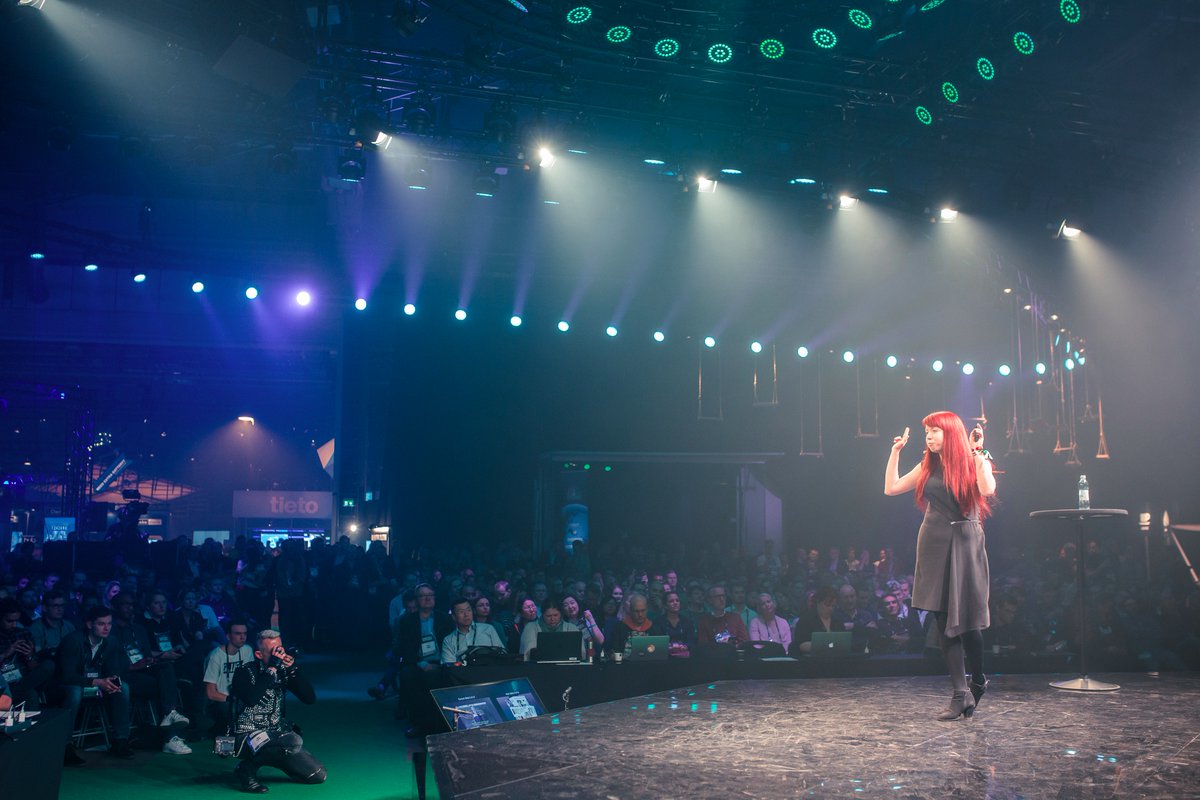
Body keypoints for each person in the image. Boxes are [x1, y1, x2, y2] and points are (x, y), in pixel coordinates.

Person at [885, 412, 996, 720]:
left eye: (935, 431)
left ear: (950, 433)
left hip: (965, 541)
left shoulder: (974, 460)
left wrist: (978, 454)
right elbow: (891, 487)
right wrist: (895, 452)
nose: (929, 436)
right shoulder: (928, 464)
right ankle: (960, 693)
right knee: (942, 616)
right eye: (927, 432)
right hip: (933, 540)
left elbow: (987, 489)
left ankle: (977, 680)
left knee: (968, 621)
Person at [228, 629, 325, 793]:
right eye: (273, 652)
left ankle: (276, 758)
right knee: (293, 740)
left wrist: (293, 669)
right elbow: (251, 699)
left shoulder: (283, 672)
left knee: (317, 775)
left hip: (276, 736)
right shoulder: (244, 671)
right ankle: (246, 768)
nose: (279, 655)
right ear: (259, 655)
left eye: (280, 649)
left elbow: (309, 698)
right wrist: (272, 668)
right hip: (246, 737)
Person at [56, 605, 134, 763]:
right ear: (89, 624)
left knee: (122, 687)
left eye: (109, 623)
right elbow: (66, 676)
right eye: (101, 624)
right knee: (75, 691)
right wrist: (96, 681)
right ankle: (65, 746)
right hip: (65, 685)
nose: (106, 628)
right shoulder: (73, 641)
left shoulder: (111, 641)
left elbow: (113, 669)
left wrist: (112, 680)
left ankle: (120, 741)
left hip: (96, 683)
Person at [204, 619, 254, 736]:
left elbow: (251, 678)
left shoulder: (247, 650)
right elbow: (210, 693)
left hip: (240, 698)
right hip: (221, 701)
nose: (242, 637)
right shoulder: (215, 656)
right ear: (228, 636)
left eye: (245, 633)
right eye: (238, 634)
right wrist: (233, 700)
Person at [441, 597, 505, 664]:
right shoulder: (448, 640)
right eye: (461, 612)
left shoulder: (488, 629)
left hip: (491, 669)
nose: (466, 614)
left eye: (468, 610)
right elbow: (449, 665)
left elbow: (502, 653)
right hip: (463, 670)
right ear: (454, 617)